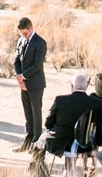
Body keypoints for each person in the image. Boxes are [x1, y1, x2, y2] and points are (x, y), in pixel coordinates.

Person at [13, 17, 47, 151]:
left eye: (25, 33)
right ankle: (27, 141)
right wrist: (19, 77)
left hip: (36, 84)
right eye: (21, 33)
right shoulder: (21, 41)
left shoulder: (40, 42)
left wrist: (23, 76)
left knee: (36, 114)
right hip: (23, 84)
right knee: (27, 115)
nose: (23, 35)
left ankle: (36, 143)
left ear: (31, 28)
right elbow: (16, 60)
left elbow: (37, 65)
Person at [42, 72, 93, 155]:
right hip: (86, 146)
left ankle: (38, 167)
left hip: (60, 143)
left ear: (72, 86)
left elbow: (48, 123)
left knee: (40, 141)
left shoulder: (60, 100)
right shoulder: (96, 102)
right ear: (86, 86)